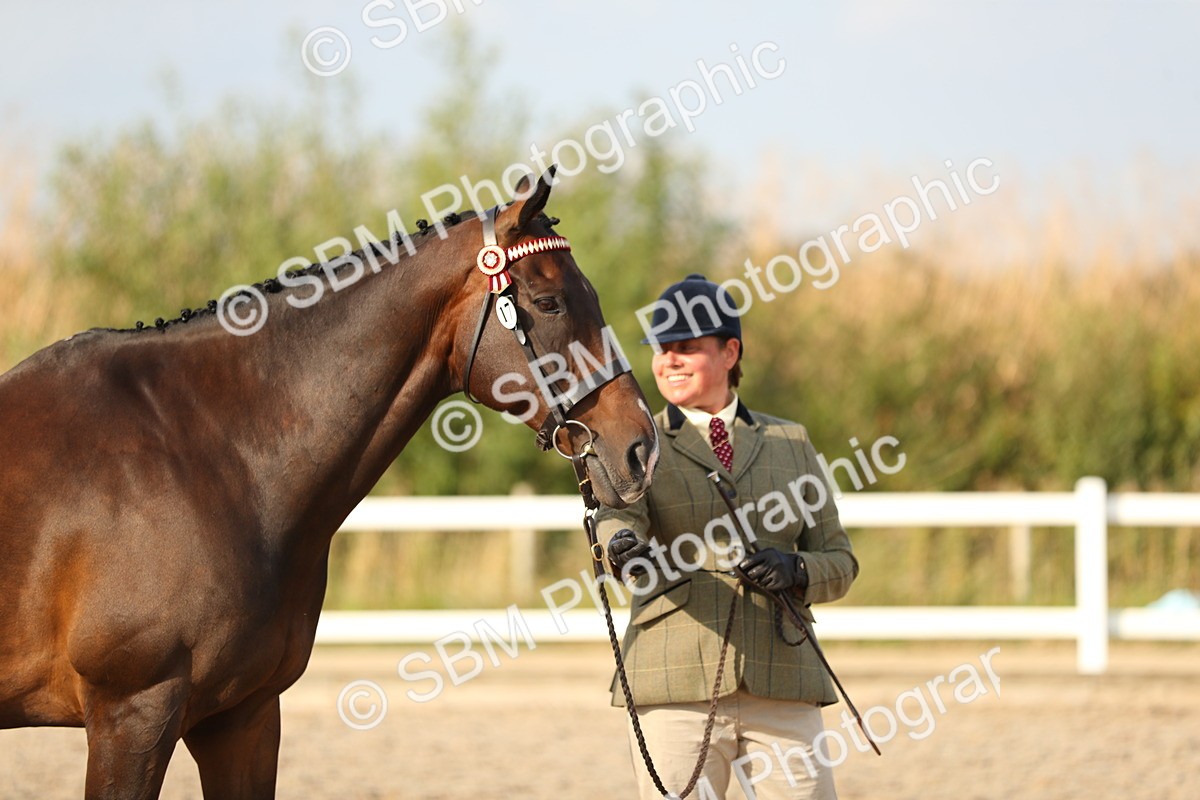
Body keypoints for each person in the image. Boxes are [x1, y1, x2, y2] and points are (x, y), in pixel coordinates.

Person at [596, 274, 859, 800]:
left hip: (783, 677)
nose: (668, 361)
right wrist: (620, 547)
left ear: (730, 351)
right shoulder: (635, 444)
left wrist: (797, 569)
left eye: (686, 349)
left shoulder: (792, 441)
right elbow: (617, 520)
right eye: (661, 350)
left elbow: (841, 561)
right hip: (674, 678)